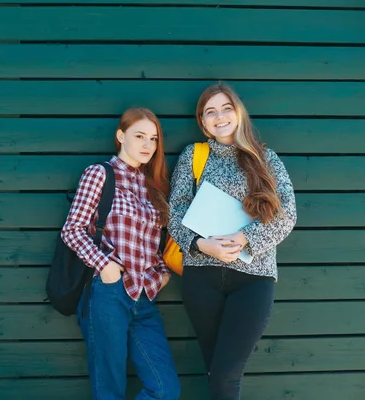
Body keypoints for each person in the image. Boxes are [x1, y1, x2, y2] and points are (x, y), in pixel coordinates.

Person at [168, 83, 297, 399]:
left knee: (226, 374)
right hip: (202, 278)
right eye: (210, 112)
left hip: (254, 280)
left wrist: (244, 238)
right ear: (203, 122)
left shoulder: (266, 158)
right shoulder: (193, 156)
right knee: (215, 371)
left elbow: (287, 214)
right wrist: (201, 244)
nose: (219, 116)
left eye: (226, 108)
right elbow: (174, 213)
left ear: (238, 112)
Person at [61, 107, 181, 400]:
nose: (147, 145)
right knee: (109, 391)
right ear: (120, 135)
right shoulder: (100, 174)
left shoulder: (153, 187)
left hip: (144, 296)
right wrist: (105, 266)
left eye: (153, 139)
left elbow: (155, 244)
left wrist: (162, 274)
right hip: (108, 293)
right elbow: (72, 230)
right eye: (139, 136)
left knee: (165, 390)